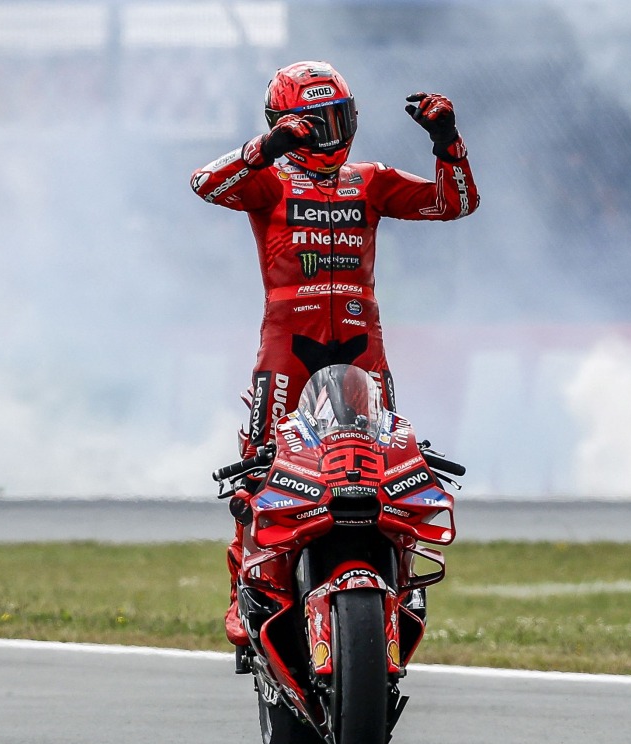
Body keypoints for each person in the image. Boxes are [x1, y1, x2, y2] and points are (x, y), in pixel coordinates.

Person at [190, 60, 479, 646]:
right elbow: (205, 183)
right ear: (287, 127)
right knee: (258, 473)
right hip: (286, 350)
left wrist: (447, 141)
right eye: (315, 123)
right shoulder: (268, 182)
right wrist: (265, 149)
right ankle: (247, 595)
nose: (331, 132)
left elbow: (456, 203)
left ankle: (393, 584)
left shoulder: (369, 181)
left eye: (339, 119)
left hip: (362, 348)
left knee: (388, 462)